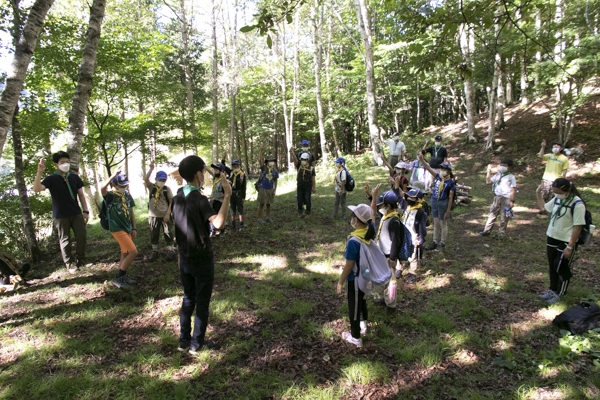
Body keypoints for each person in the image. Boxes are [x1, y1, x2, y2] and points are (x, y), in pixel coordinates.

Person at [172, 155, 232, 353]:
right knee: (202, 301)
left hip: (184, 258)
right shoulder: (199, 198)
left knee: (188, 298)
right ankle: (196, 344)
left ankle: (183, 341)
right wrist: (227, 196)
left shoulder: (177, 196)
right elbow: (218, 224)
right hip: (201, 258)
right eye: (204, 171)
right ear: (198, 174)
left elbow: (178, 229)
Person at [33, 151, 89, 273]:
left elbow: (81, 195)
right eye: (62, 162)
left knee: (81, 236)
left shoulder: (74, 177)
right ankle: (69, 263)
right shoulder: (51, 179)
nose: (66, 164)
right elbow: (36, 189)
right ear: (56, 164)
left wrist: (85, 211)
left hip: (76, 212)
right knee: (65, 240)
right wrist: (39, 172)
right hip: (60, 215)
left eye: (67, 162)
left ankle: (81, 259)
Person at [535, 178, 586, 305]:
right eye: (554, 192)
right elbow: (544, 208)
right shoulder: (557, 199)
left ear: (566, 190)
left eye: (557, 192)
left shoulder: (577, 204)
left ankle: (561, 293)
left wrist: (570, 246)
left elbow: (578, 227)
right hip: (552, 236)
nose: (555, 194)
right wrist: (538, 193)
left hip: (566, 240)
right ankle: (552, 290)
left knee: (561, 266)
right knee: (552, 265)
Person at [336, 203, 377, 348]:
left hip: (355, 278)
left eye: (353, 216)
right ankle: (363, 325)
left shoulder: (354, 241)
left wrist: (340, 281)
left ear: (357, 220)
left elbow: (349, 264)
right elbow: (372, 217)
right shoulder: (369, 232)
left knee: (354, 306)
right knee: (362, 301)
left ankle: (355, 336)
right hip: (366, 276)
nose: (352, 219)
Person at [101, 170, 138, 289]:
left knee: (125, 252)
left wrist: (134, 227)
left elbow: (131, 211)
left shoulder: (127, 194)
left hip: (127, 227)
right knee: (133, 252)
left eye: (125, 185)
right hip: (117, 228)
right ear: (115, 185)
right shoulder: (110, 195)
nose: (124, 187)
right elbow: (102, 188)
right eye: (121, 186)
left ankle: (123, 277)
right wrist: (113, 176)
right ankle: (118, 277)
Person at [369, 185, 401, 311]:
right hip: (382, 254)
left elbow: (395, 242)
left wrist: (393, 258)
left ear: (388, 206)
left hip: (389, 256)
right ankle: (385, 298)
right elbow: (373, 212)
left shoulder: (394, 221)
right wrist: (373, 196)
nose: (380, 208)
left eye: (381, 206)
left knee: (391, 281)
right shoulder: (386, 216)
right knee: (384, 279)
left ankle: (391, 304)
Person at [418, 153, 455, 252]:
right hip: (434, 201)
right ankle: (434, 241)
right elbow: (429, 168)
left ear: (449, 171)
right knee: (436, 222)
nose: (442, 170)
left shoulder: (451, 182)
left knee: (443, 223)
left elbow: (451, 198)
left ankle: (442, 242)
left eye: (444, 169)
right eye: (441, 168)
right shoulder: (438, 177)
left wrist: (448, 211)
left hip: (443, 203)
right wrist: (422, 160)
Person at [478, 159, 517, 239]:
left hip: (506, 198)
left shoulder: (511, 177)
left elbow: (513, 189)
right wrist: (488, 172)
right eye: (501, 165)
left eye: (504, 166)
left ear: (509, 167)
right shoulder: (498, 175)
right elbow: (488, 182)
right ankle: (486, 231)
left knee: (504, 217)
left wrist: (512, 201)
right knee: (492, 214)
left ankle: (501, 234)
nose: (502, 167)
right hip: (497, 197)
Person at [144, 161, 175, 260]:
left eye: (163, 180)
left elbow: (171, 202)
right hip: (153, 215)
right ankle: (154, 251)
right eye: (160, 179)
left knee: (168, 232)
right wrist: (151, 169)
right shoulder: (152, 187)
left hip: (165, 214)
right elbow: (145, 179)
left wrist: (168, 214)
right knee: (154, 233)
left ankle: (171, 250)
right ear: (156, 179)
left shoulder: (166, 189)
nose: (162, 181)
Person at [400, 188, 427, 283]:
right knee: (401, 252)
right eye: (409, 197)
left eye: (412, 198)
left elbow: (422, 228)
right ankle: (399, 268)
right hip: (403, 235)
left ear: (418, 200)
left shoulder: (420, 212)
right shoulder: (407, 208)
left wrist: (420, 239)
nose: (409, 199)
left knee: (412, 256)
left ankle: (412, 273)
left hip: (413, 237)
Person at [537, 140, 569, 211]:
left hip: (556, 180)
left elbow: (565, 170)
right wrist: (543, 147)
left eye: (556, 147)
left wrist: (563, 179)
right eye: (553, 146)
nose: (554, 148)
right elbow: (540, 156)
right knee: (543, 195)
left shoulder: (564, 158)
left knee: (554, 197)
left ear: (561, 149)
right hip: (546, 179)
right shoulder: (549, 156)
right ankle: (542, 210)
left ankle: (553, 210)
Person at [257, 145, 279, 223]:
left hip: (270, 188)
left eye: (272, 160)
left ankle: (268, 217)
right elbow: (259, 160)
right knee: (262, 203)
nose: (271, 162)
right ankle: (259, 218)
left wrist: (275, 189)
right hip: (263, 188)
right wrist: (261, 150)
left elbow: (276, 180)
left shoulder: (275, 171)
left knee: (269, 204)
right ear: (267, 162)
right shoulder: (264, 168)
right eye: (270, 161)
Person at [295, 152, 316, 217]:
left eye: (304, 159)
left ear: (307, 160)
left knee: (307, 199)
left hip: (308, 186)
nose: (302, 161)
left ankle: (307, 211)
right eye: (302, 159)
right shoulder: (299, 166)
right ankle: (300, 211)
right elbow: (295, 161)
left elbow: (313, 178)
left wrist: (314, 187)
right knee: (299, 199)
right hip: (300, 186)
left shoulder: (311, 168)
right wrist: (293, 153)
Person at [209, 163, 228, 236]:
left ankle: (222, 230)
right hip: (213, 200)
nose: (214, 171)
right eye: (214, 170)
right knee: (212, 214)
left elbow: (227, 193)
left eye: (216, 170)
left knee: (220, 215)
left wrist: (217, 197)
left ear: (221, 172)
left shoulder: (224, 181)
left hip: (220, 202)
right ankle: (213, 230)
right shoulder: (215, 179)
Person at [229, 159, 247, 231]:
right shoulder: (231, 173)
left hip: (239, 194)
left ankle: (241, 225)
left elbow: (244, 187)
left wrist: (243, 197)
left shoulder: (242, 175)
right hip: (232, 194)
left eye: (237, 165)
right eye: (234, 165)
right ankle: (233, 224)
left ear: (239, 165)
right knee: (232, 209)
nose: (235, 167)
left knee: (240, 209)